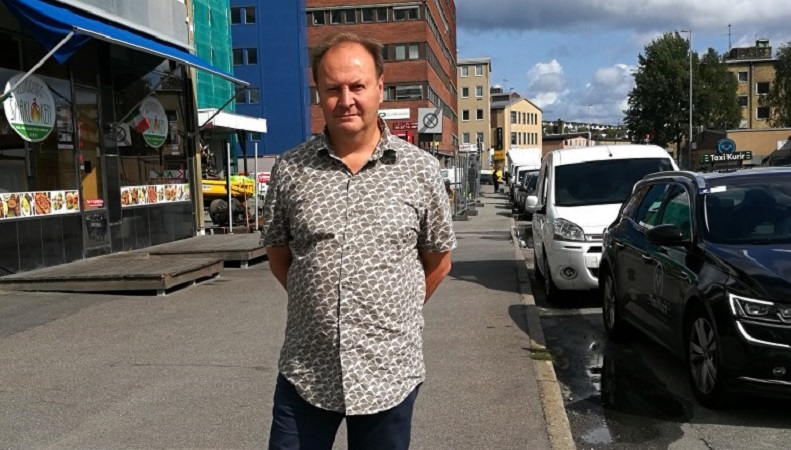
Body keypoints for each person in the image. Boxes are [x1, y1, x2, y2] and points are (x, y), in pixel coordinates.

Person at [262, 32, 456, 450]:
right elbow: (279, 255)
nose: (345, 99)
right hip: (307, 371)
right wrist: (321, 304)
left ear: (380, 87)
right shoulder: (291, 170)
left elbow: (439, 261)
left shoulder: (419, 171)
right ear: (318, 93)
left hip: (387, 370)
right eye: (332, 89)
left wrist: (390, 310)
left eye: (357, 86)